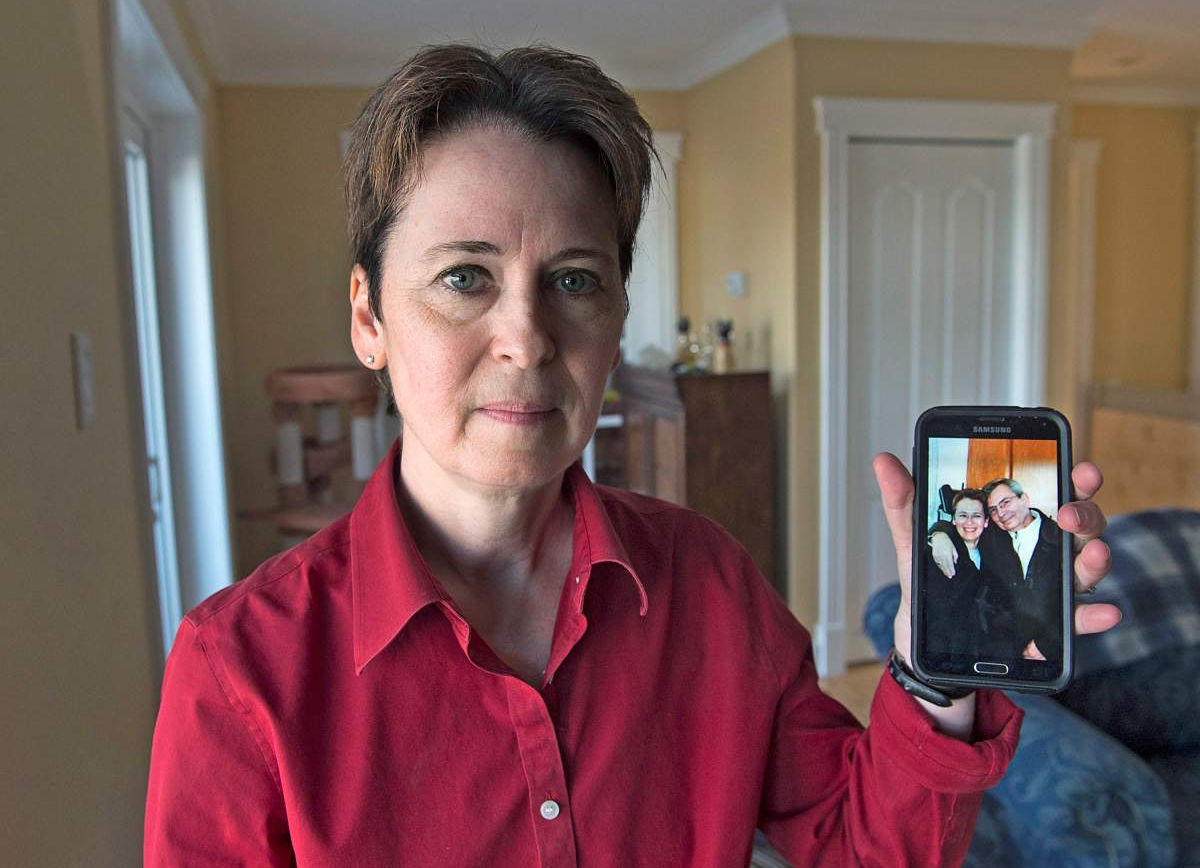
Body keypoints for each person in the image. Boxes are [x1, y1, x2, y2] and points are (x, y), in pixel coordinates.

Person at [143, 44, 1120, 866]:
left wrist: (934, 676)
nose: (526, 338)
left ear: (615, 322)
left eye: (573, 279)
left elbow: (858, 846)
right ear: (369, 319)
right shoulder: (239, 672)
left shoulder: (711, 586)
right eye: (465, 277)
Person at [931, 478, 1065, 661]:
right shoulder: (992, 535)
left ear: (1024, 499)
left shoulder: (1060, 537)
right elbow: (962, 524)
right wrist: (939, 535)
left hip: (1043, 653)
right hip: (999, 651)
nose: (1001, 513)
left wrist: (1047, 645)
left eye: (1005, 503)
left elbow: (1072, 598)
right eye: (993, 510)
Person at [923, 489, 1015, 659]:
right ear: (953, 520)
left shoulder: (992, 555)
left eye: (976, 516)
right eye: (963, 515)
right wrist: (937, 534)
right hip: (946, 652)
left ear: (986, 522)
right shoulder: (938, 553)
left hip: (985, 652)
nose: (970, 522)